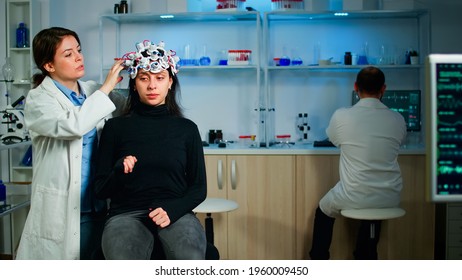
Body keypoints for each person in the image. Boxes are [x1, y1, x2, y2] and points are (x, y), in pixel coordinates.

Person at [16, 27, 126, 260]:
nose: (78, 57)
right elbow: (74, 124)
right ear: (49, 66)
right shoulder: (39, 99)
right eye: (68, 54)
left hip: (100, 204)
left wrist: (143, 75)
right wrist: (107, 87)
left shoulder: (91, 90)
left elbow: (128, 112)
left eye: (79, 50)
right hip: (64, 209)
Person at [93, 40, 207, 260]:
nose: (152, 85)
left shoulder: (187, 129)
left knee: (190, 258)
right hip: (125, 215)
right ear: (134, 84)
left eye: (159, 78)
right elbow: (100, 190)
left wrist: (172, 210)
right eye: (144, 78)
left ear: (170, 82)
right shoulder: (115, 127)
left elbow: (198, 188)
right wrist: (118, 170)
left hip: (176, 213)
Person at [309, 66, 407, 260]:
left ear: (356, 87)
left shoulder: (342, 116)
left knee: (323, 210)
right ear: (383, 89)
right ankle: (365, 256)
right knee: (375, 209)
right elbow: (399, 141)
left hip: (353, 194)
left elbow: (334, 139)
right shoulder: (398, 118)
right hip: (390, 196)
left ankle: (318, 260)